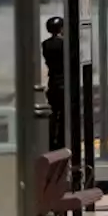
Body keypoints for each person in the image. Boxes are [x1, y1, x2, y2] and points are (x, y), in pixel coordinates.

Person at [42, 16, 65, 150]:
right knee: (64, 114)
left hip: (53, 82)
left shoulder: (46, 44)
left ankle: (51, 141)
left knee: (54, 113)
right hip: (63, 81)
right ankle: (61, 141)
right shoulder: (63, 44)